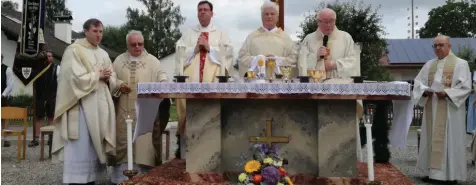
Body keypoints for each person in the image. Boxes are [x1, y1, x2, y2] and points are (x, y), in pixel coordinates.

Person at [51, 18, 120, 185]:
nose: (98, 35)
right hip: (81, 108)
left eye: (101, 32)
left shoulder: (103, 54)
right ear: (86, 31)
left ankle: (91, 181)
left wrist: (112, 79)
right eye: (95, 31)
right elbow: (71, 79)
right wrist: (98, 76)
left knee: (93, 150)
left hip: (100, 107)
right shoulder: (73, 50)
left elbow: (113, 77)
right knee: (81, 148)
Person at [174, 0, 233, 159]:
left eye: (206, 9)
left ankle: (210, 154)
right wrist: (193, 49)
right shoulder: (188, 33)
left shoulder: (220, 33)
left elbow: (228, 53)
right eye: (199, 10)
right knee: (189, 113)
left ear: (212, 13)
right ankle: (186, 156)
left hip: (212, 80)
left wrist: (209, 48)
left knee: (210, 114)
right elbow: (179, 52)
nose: (202, 12)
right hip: (191, 81)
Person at [107, 30, 168, 184]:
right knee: (123, 140)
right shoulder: (119, 61)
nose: (137, 47)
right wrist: (119, 84)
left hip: (144, 111)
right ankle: (120, 178)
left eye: (140, 44)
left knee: (144, 143)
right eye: (133, 44)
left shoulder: (153, 61)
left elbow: (162, 74)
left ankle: (146, 177)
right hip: (123, 109)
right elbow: (112, 78)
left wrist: (163, 82)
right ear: (127, 45)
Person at [412, 35, 472, 184]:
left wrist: (447, 93)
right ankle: (430, 172)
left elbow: (465, 87)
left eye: (441, 45)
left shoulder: (461, 64)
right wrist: (424, 92)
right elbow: (418, 83)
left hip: (450, 111)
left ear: (449, 46)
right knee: (430, 139)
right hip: (432, 107)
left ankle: (449, 176)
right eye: (435, 45)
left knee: (449, 142)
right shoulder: (429, 65)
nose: (438, 48)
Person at [237, 1, 296, 78]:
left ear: (277, 17)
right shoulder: (252, 37)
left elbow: (294, 58)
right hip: (256, 83)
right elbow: (242, 57)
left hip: (279, 83)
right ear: (262, 17)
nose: (269, 16)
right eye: (266, 14)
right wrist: (259, 59)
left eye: (272, 14)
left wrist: (277, 60)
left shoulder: (285, 38)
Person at [298, 8, 359, 77]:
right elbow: (301, 65)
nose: (329, 25)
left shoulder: (346, 37)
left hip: (339, 84)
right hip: (316, 84)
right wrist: (316, 56)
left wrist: (335, 64)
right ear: (318, 22)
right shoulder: (308, 39)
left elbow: (354, 61)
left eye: (332, 21)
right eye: (326, 22)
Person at [28, 50, 60, 147]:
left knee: (51, 117)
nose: (48, 58)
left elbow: (60, 82)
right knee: (38, 117)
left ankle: (51, 138)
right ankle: (36, 139)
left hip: (52, 96)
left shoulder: (57, 68)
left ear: (52, 57)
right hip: (40, 96)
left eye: (50, 56)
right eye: (46, 56)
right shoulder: (38, 68)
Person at [2, 53, 14, 147]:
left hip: (3, 97)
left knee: (4, 118)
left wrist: (3, 95)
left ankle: (5, 139)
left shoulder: (7, 69)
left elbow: (10, 85)